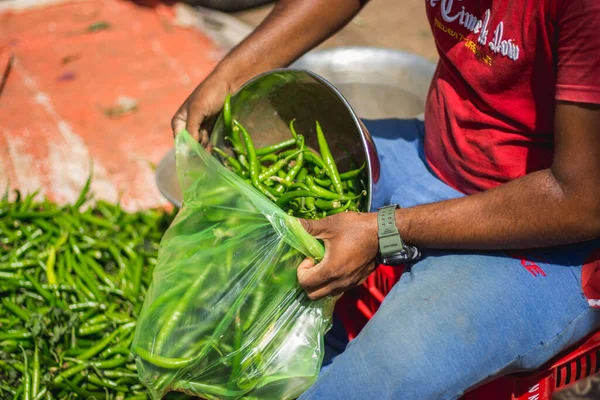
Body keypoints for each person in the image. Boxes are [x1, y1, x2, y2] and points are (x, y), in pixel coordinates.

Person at [172, 0, 600, 398]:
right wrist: (230, 74)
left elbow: (582, 200)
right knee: (241, 217)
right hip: (432, 155)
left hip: (547, 233)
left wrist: (386, 230)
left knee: (375, 377)